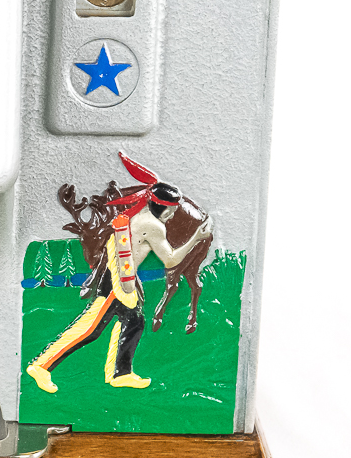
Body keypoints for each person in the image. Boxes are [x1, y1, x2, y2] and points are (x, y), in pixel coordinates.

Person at [26, 160, 213, 393]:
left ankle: (121, 373)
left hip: (121, 274)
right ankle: (41, 366)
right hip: (117, 280)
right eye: (172, 210)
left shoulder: (140, 214)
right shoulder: (153, 226)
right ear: (163, 208)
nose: (173, 215)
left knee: (134, 321)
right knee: (90, 329)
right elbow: (171, 259)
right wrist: (196, 237)